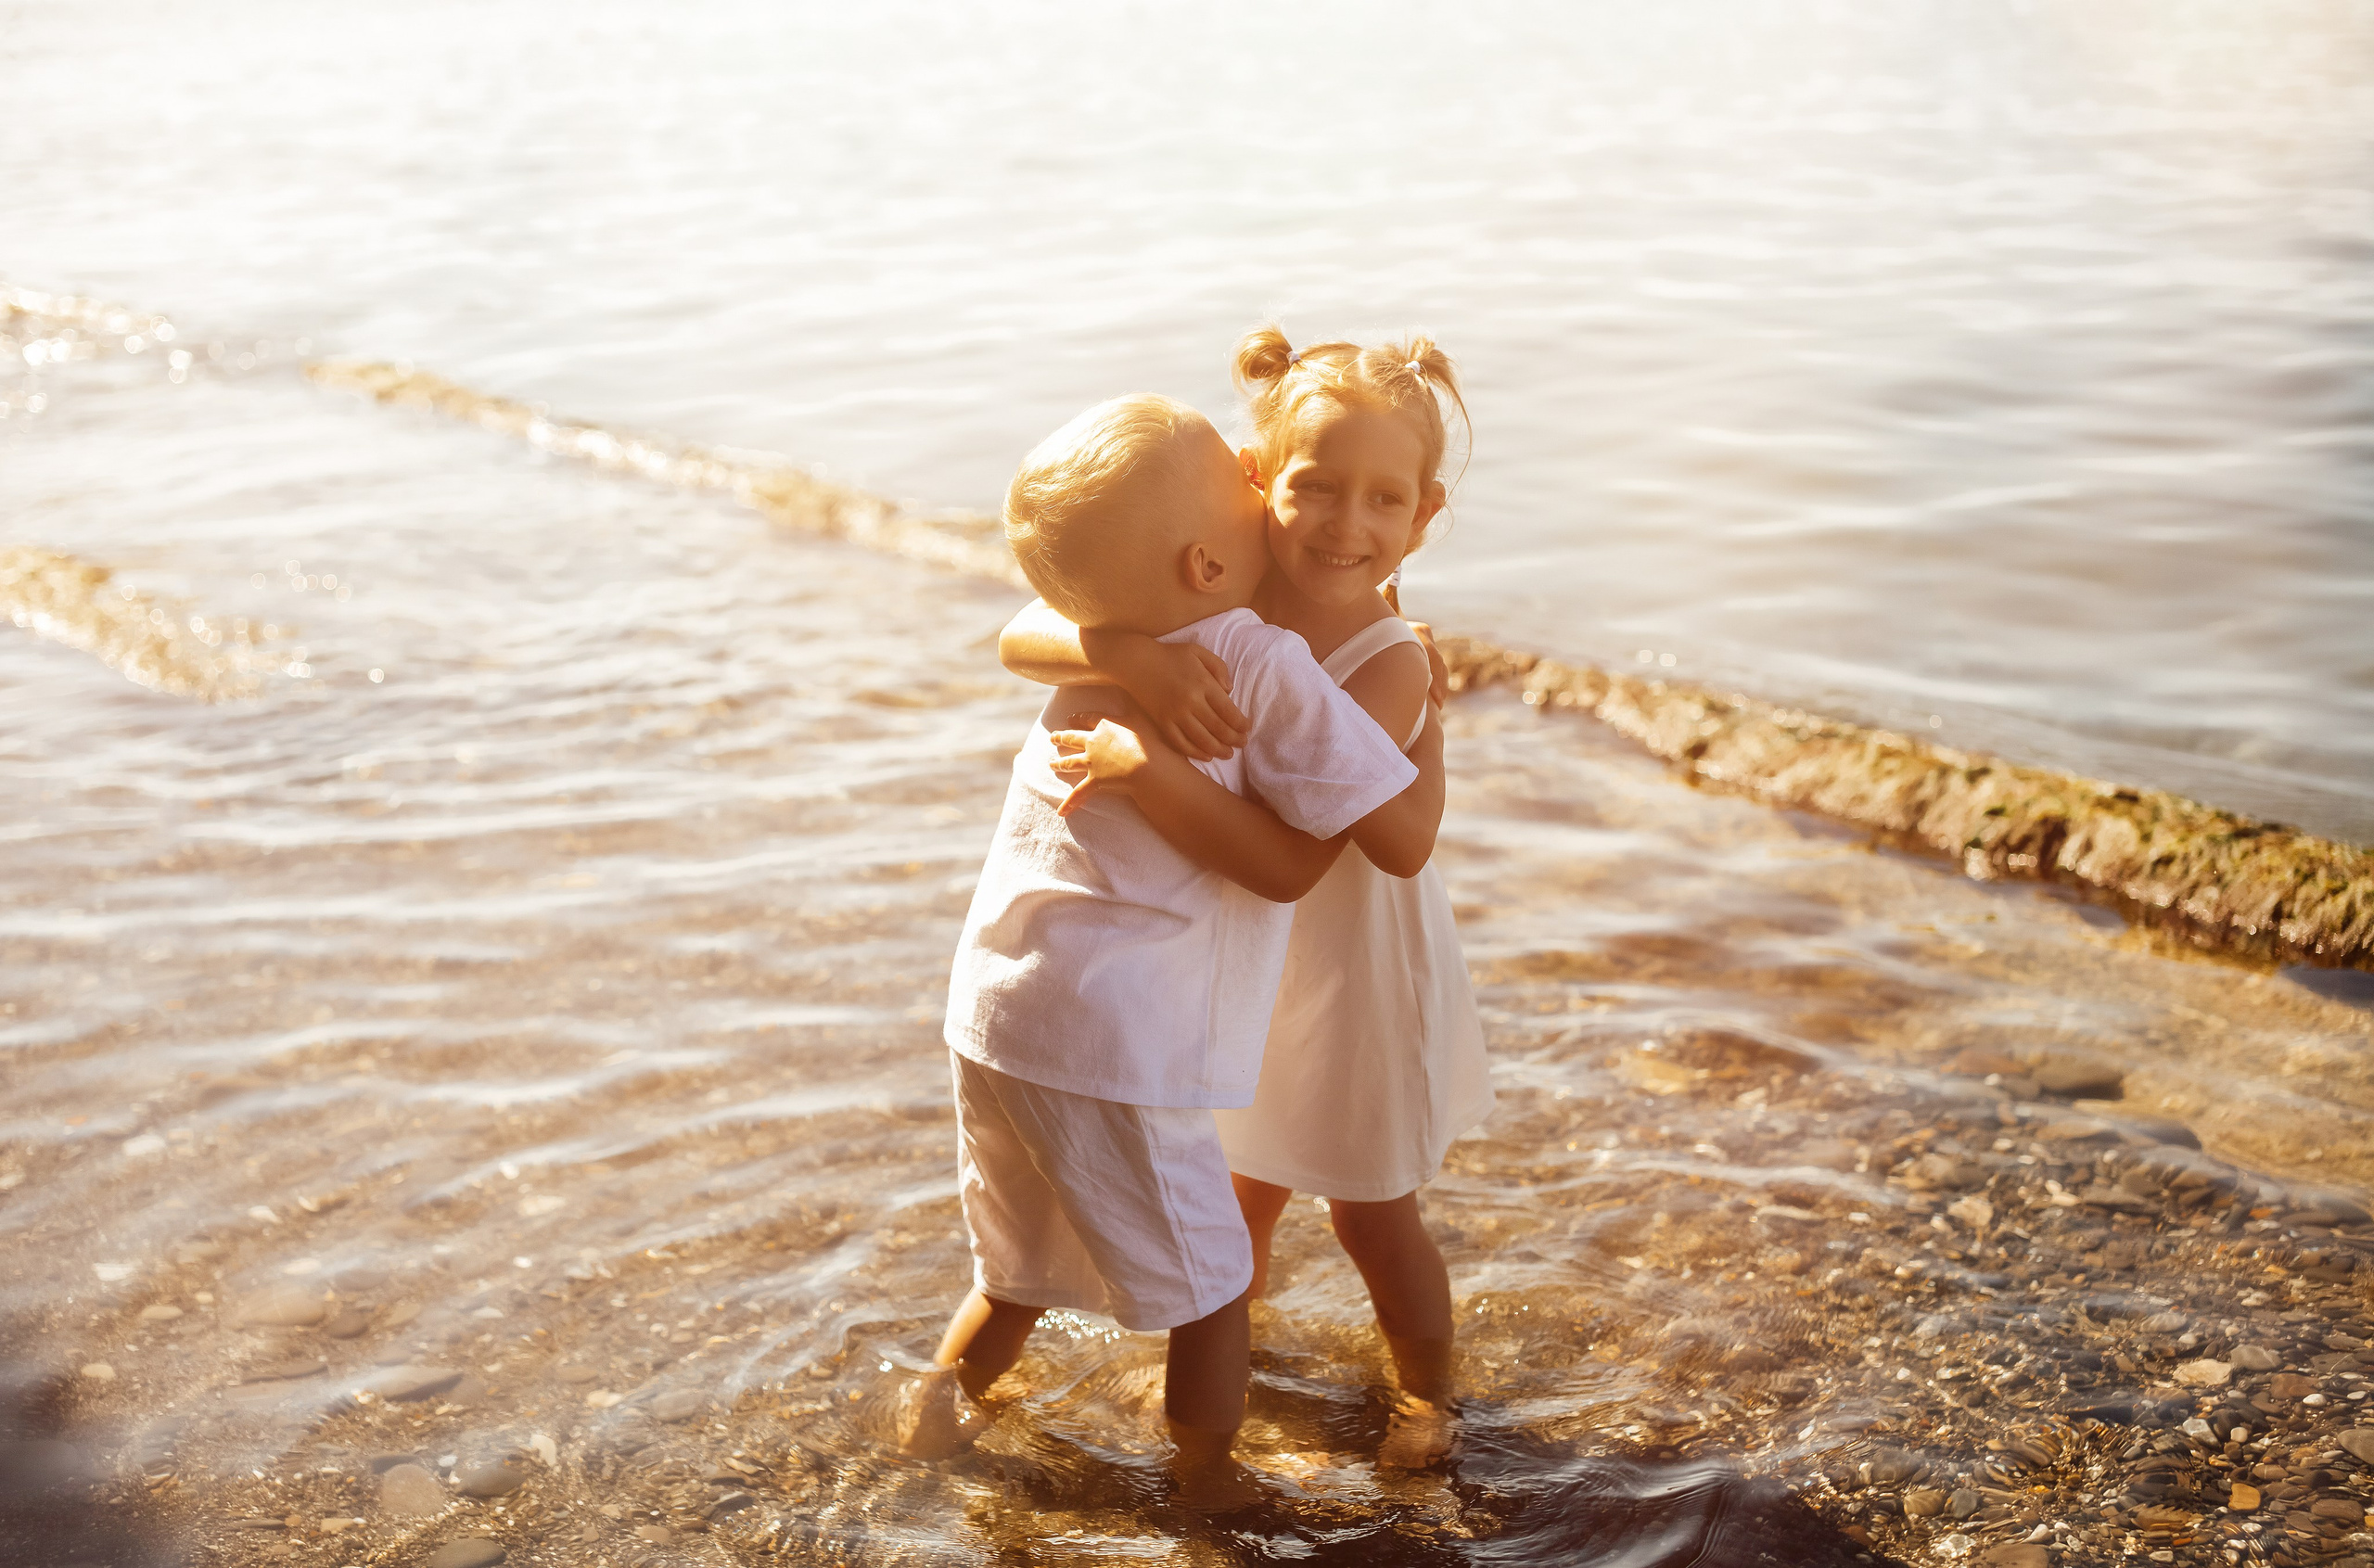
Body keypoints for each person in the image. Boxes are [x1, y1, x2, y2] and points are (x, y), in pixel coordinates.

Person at [913, 391, 1445, 1504]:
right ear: (1207, 558)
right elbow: (1325, 858)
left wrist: (1125, 656)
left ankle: (930, 1418)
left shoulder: (1122, 620)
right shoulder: (1253, 653)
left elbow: (1033, 623)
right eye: (1252, 478)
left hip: (996, 1008)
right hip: (1115, 1030)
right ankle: (1206, 1479)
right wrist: (1427, 725)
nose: (1256, 476)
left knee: (1016, 1269)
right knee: (1213, 1287)